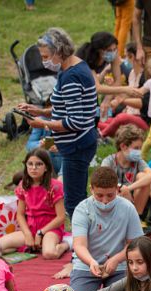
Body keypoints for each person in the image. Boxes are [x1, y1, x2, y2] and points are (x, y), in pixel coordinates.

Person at [17, 28, 99, 219]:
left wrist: (43, 124)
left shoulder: (70, 76)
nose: (44, 61)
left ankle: (81, 242)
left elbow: (74, 120)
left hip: (76, 145)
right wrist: (42, 112)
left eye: (46, 56)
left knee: (73, 202)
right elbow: (67, 108)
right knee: (78, 195)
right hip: (80, 142)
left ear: (58, 51)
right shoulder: (75, 67)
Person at [70, 167, 144, 291]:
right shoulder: (82, 209)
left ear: (117, 189)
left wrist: (116, 259)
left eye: (110, 195)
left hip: (119, 267)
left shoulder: (128, 208)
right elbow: (79, 245)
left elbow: (134, 244)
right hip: (87, 266)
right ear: (91, 189)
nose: (105, 201)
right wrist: (91, 262)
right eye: (99, 195)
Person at [0, 149, 67, 260]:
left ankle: (65, 245)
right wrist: (27, 234)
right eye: (30, 164)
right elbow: (20, 214)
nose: (33, 168)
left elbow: (61, 217)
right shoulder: (23, 185)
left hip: (50, 229)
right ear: (26, 166)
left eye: (39, 164)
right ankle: (27, 245)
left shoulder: (55, 186)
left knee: (49, 254)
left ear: (46, 167)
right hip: (30, 229)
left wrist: (40, 233)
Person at [102, 125, 151, 216]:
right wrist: (121, 190)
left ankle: (137, 217)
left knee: (143, 176)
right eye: (136, 148)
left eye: (140, 148)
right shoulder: (109, 161)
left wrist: (128, 188)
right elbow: (103, 181)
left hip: (133, 200)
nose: (139, 152)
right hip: (114, 198)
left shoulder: (138, 162)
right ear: (123, 146)